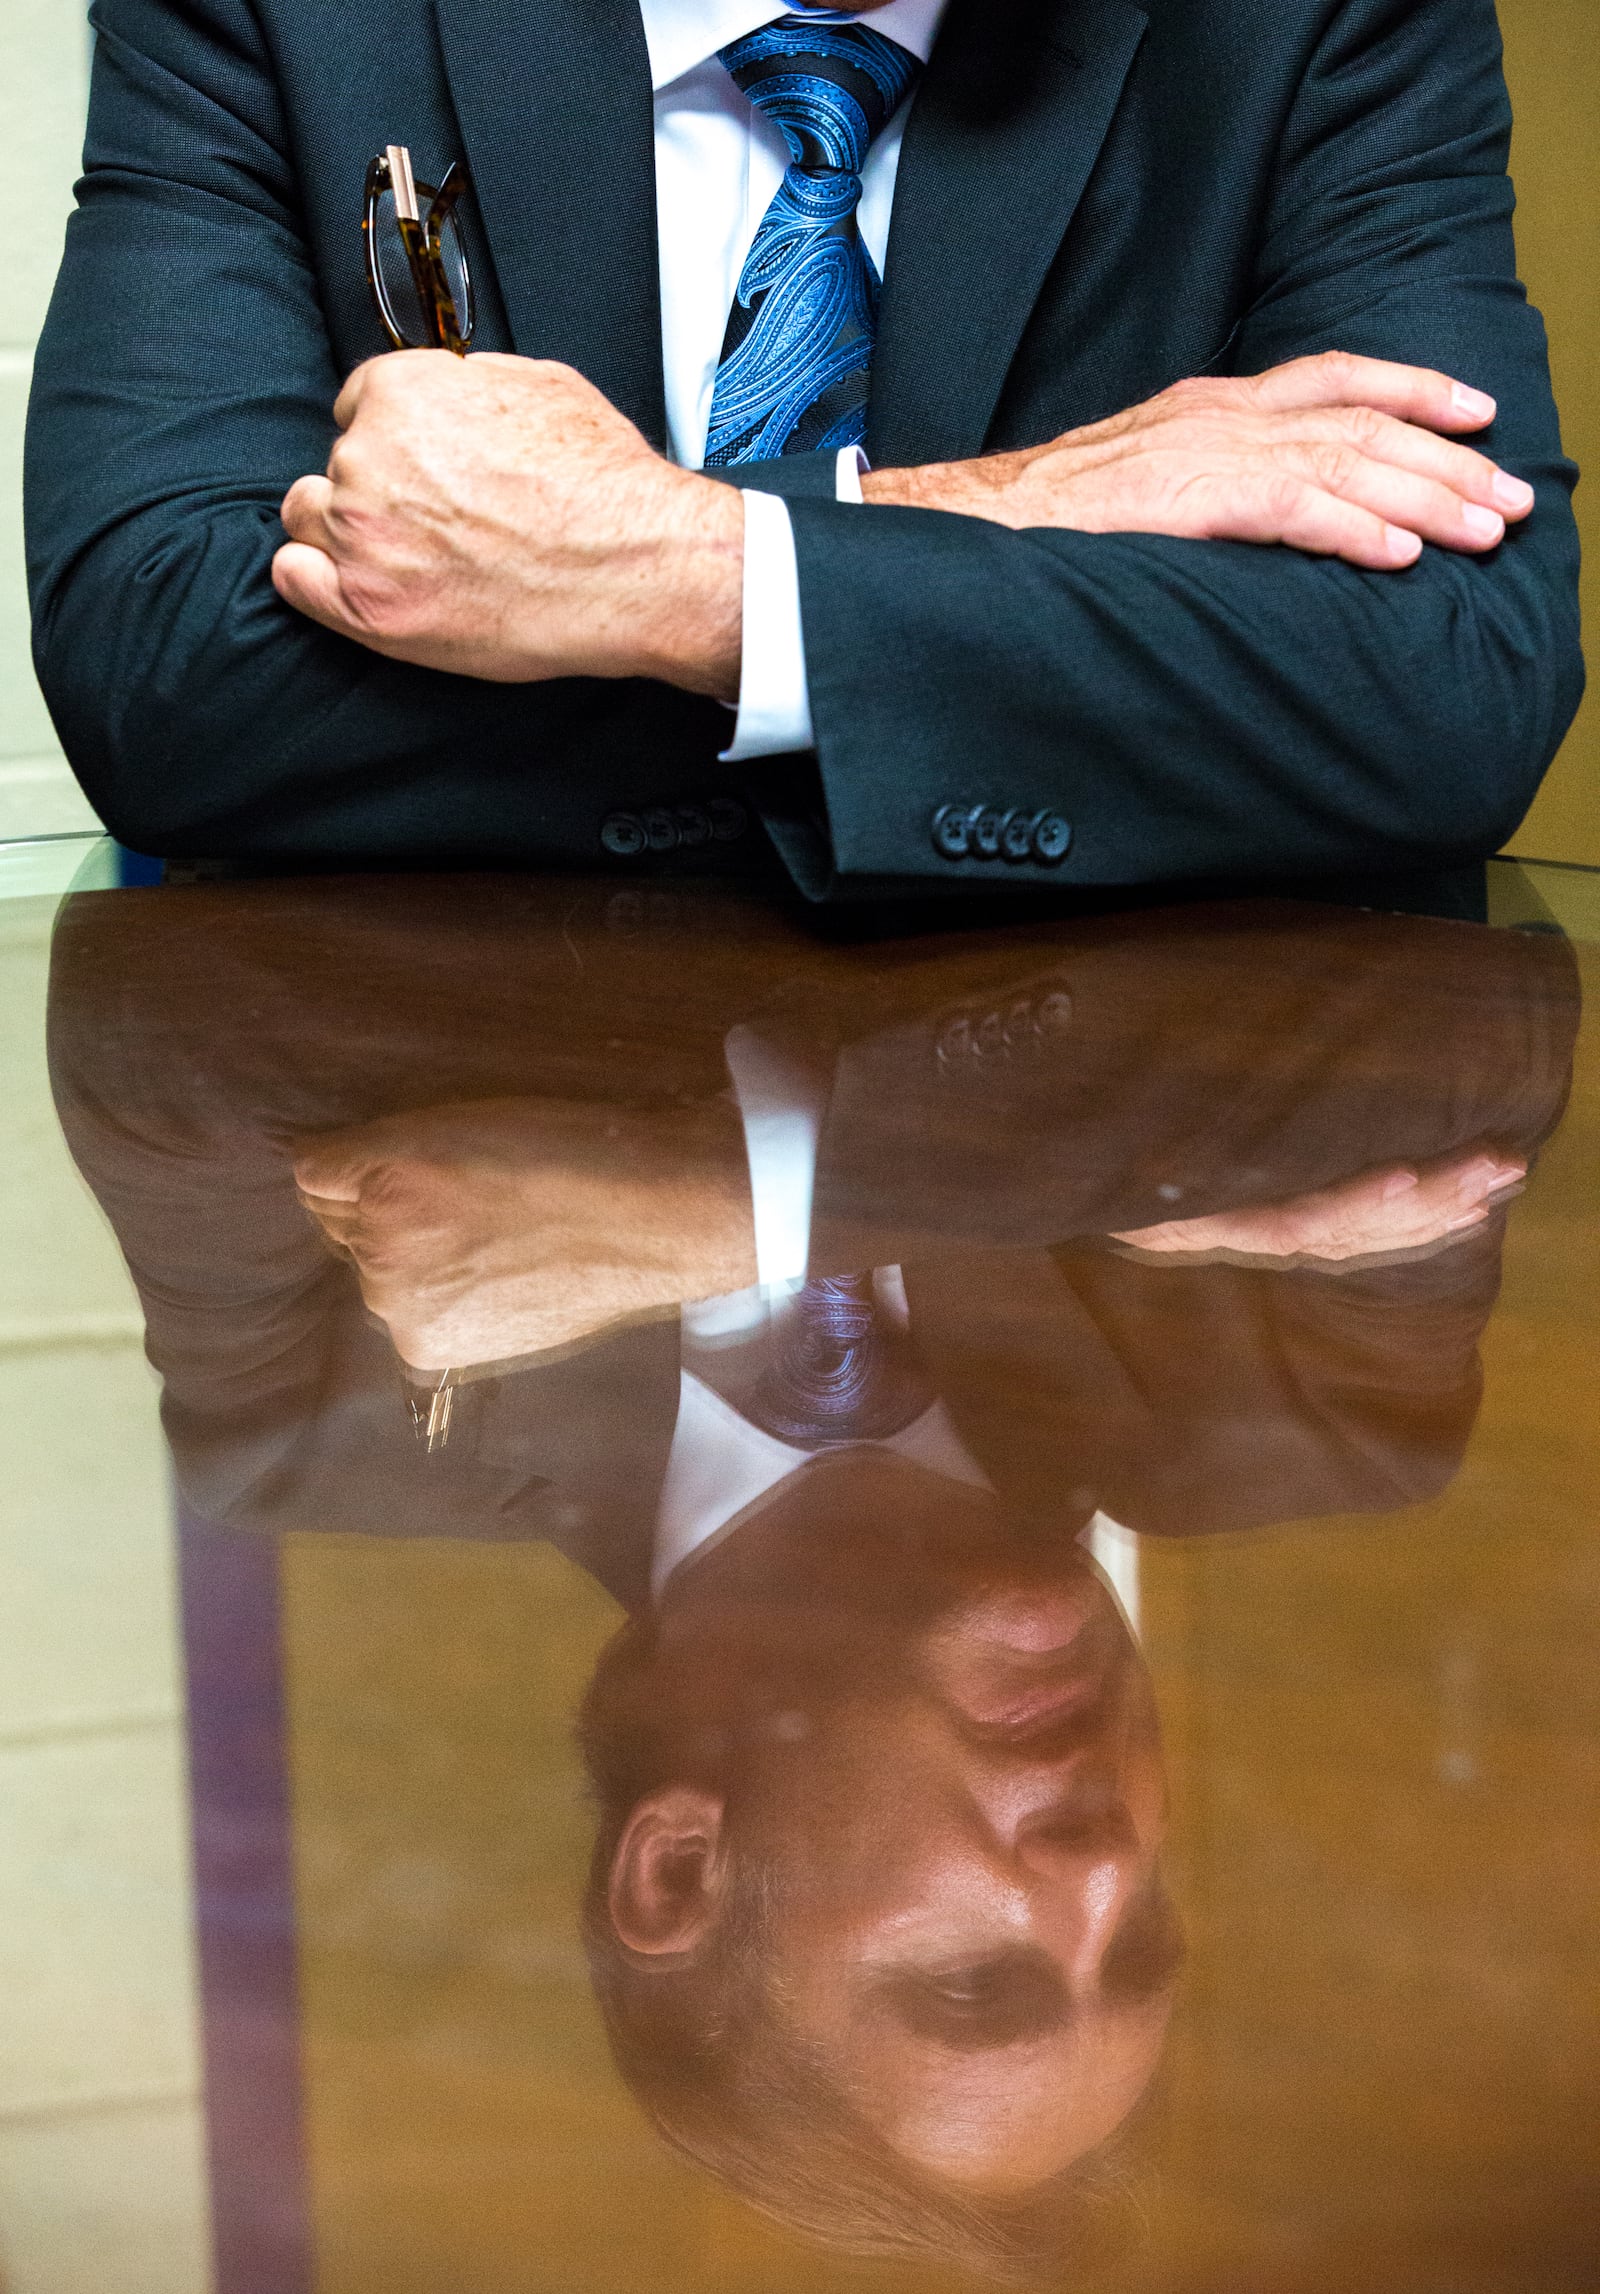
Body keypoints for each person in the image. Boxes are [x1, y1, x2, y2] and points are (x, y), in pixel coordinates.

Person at [24, 0, 1583, 904]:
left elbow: (1447, 678)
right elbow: (165, 661)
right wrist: (1026, 515)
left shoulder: (1315, 26)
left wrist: (661, 573)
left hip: (1070, 1184)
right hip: (442, 1194)